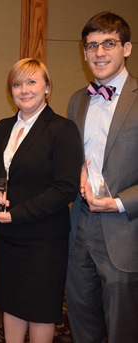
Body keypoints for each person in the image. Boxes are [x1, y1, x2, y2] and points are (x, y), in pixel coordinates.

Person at [0, 58, 83, 342]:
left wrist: (17, 214)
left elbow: (65, 188)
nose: (24, 90)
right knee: (11, 304)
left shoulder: (62, 129)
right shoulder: (3, 127)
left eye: (31, 82)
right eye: (17, 84)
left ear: (47, 88)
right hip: (6, 236)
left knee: (40, 309)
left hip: (43, 239)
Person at [66, 12, 138, 343]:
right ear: (84, 53)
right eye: (92, 45)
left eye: (108, 43)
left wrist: (121, 203)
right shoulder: (77, 101)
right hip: (79, 227)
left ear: (126, 48)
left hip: (125, 230)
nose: (99, 52)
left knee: (123, 326)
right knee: (82, 316)